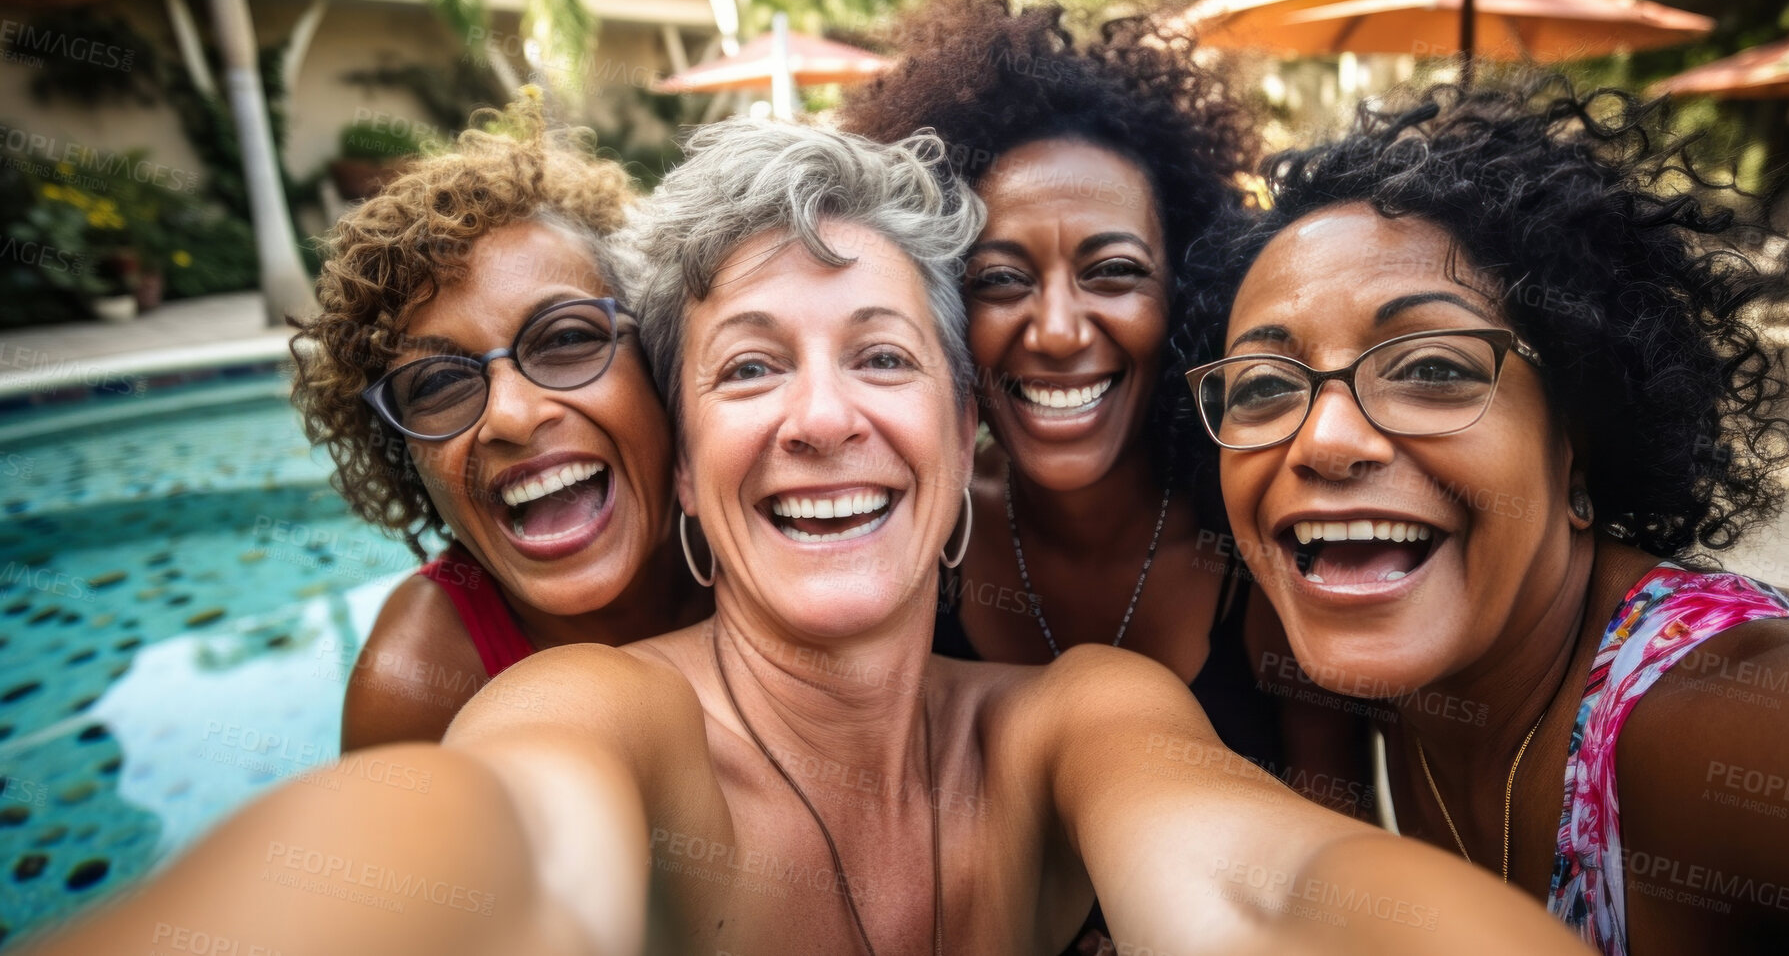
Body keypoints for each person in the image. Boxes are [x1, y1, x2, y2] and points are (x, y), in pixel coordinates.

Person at [25, 119, 1589, 956]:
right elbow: (497, 852)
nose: (822, 417)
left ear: (971, 444)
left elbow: (1269, 890)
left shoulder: (1081, 716)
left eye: (884, 354)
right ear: (689, 472)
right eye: (750, 363)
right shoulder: (584, 719)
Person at [1181, 78, 1789, 955]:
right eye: (1262, 385)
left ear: (1576, 441)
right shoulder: (1340, 641)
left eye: (1433, 369)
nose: (1324, 439)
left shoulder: (1760, 729)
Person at [843, 0, 1367, 813]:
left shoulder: (1261, 542)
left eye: (1113, 272)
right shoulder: (901, 532)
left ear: (1187, 293)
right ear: (940, 303)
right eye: (1000, 279)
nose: (1055, 331)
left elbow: (1344, 856)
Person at [291, 95, 708, 750]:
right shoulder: (417, 687)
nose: (510, 414)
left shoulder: (766, 547)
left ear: (659, 357)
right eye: (438, 383)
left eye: (566, 338)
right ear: (403, 455)